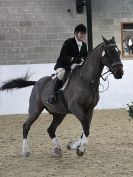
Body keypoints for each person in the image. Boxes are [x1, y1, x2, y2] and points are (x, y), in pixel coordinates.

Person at [48, 24, 88, 104]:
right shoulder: (68, 42)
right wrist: (76, 59)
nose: (83, 35)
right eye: (81, 33)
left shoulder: (84, 45)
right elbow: (63, 56)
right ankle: (53, 94)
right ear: (76, 33)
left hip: (75, 67)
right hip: (63, 65)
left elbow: (86, 57)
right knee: (61, 74)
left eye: (84, 33)